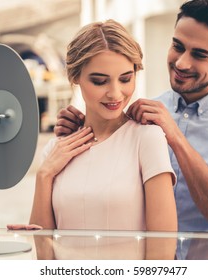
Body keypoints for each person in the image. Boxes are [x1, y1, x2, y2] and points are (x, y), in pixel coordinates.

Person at [54, 0, 208, 233]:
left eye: (200, 55)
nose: (182, 63)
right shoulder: (139, 114)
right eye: (178, 46)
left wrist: (176, 139)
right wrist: (85, 127)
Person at [18, 19, 177, 233]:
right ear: (75, 78)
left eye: (125, 79)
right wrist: (44, 175)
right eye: (100, 81)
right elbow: (44, 252)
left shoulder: (147, 139)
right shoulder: (56, 149)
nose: (115, 93)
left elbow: (162, 251)